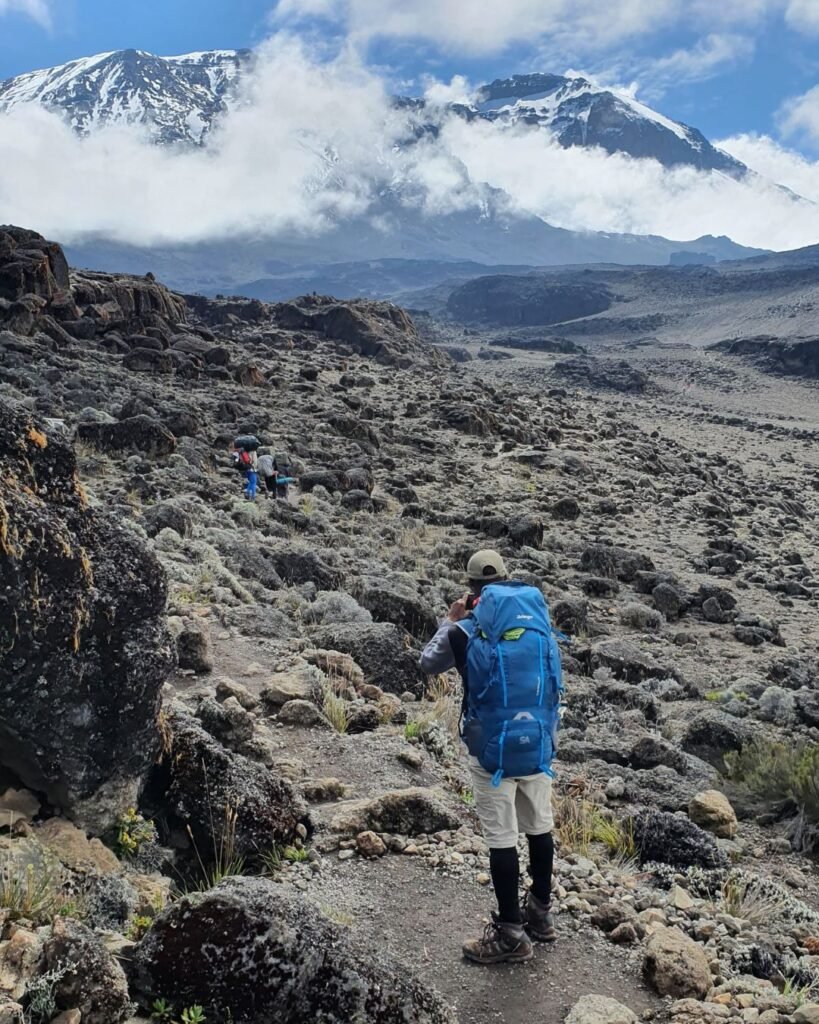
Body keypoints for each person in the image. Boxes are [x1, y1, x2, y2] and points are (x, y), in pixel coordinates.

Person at [419, 549, 562, 965]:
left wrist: (449, 620)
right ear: (505, 578)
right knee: (539, 826)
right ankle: (541, 913)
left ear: (471, 588)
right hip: (537, 742)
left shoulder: (464, 629)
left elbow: (427, 664)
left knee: (502, 837)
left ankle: (510, 934)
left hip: (491, 750)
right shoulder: (537, 623)